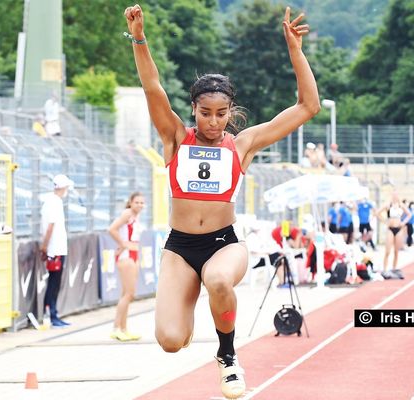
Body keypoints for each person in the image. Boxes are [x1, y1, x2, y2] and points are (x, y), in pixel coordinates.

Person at [123, 4, 320, 398]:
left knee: (217, 278)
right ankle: (196, 305)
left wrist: (296, 51)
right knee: (170, 341)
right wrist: (140, 39)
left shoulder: (242, 145)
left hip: (223, 245)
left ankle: (227, 355)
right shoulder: (176, 138)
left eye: (221, 114)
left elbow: (307, 107)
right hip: (179, 249)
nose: (213, 123)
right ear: (194, 109)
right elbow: (152, 88)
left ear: (231, 113)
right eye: (205, 113)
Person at [108, 192, 145, 341]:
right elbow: (112, 229)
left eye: (142, 203)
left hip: (133, 254)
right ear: (130, 202)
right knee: (129, 293)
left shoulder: (136, 216)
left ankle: (124, 328)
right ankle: (116, 328)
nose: (140, 205)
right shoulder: (127, 213)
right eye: (137, 202)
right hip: (126, 255)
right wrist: (123, 244)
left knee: (127, 294)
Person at [40, 174, 74, 327]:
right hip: (55, 249)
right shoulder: (53, 202)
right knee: (54, 282)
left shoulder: (54, 201)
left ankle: (53, 313)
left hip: (57, 247)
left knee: (55, 282)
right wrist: (46, 247)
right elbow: (50, 226)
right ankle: (50, 314)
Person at [377, 192, 411, 272]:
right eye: (393, 195)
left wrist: (403, 222)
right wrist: (385, 221)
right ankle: (385, 269)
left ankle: (394, 268)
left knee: (396, 251)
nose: (395, 197)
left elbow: (409, 214)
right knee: (388, 251)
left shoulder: (401, 205)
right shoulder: (388, 205)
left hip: (398, 229)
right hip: (390, 228)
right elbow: (377, 213)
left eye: (396, 195)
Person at [271, 221, 302, 287]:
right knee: (281, 261)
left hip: (278, 252)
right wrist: (299, 236)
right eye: (291, 226)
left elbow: (296, 246)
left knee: (286, 261)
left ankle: (283, 281)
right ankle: (282, 282)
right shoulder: (282, 233)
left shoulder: (286, 234)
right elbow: (295, 246)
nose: (292, 228)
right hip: (273, 253)